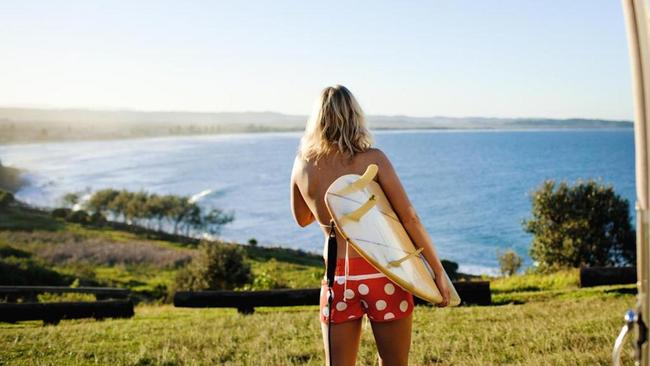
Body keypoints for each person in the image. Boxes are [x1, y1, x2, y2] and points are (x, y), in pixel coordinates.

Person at [290, 85, 450, 366]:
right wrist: (436, 270)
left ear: (316, 120)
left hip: (338, 278)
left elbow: (302, 219)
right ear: (355, 116)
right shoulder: (373, 159)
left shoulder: (303, 164)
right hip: (385, 273)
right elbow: (409, 217)